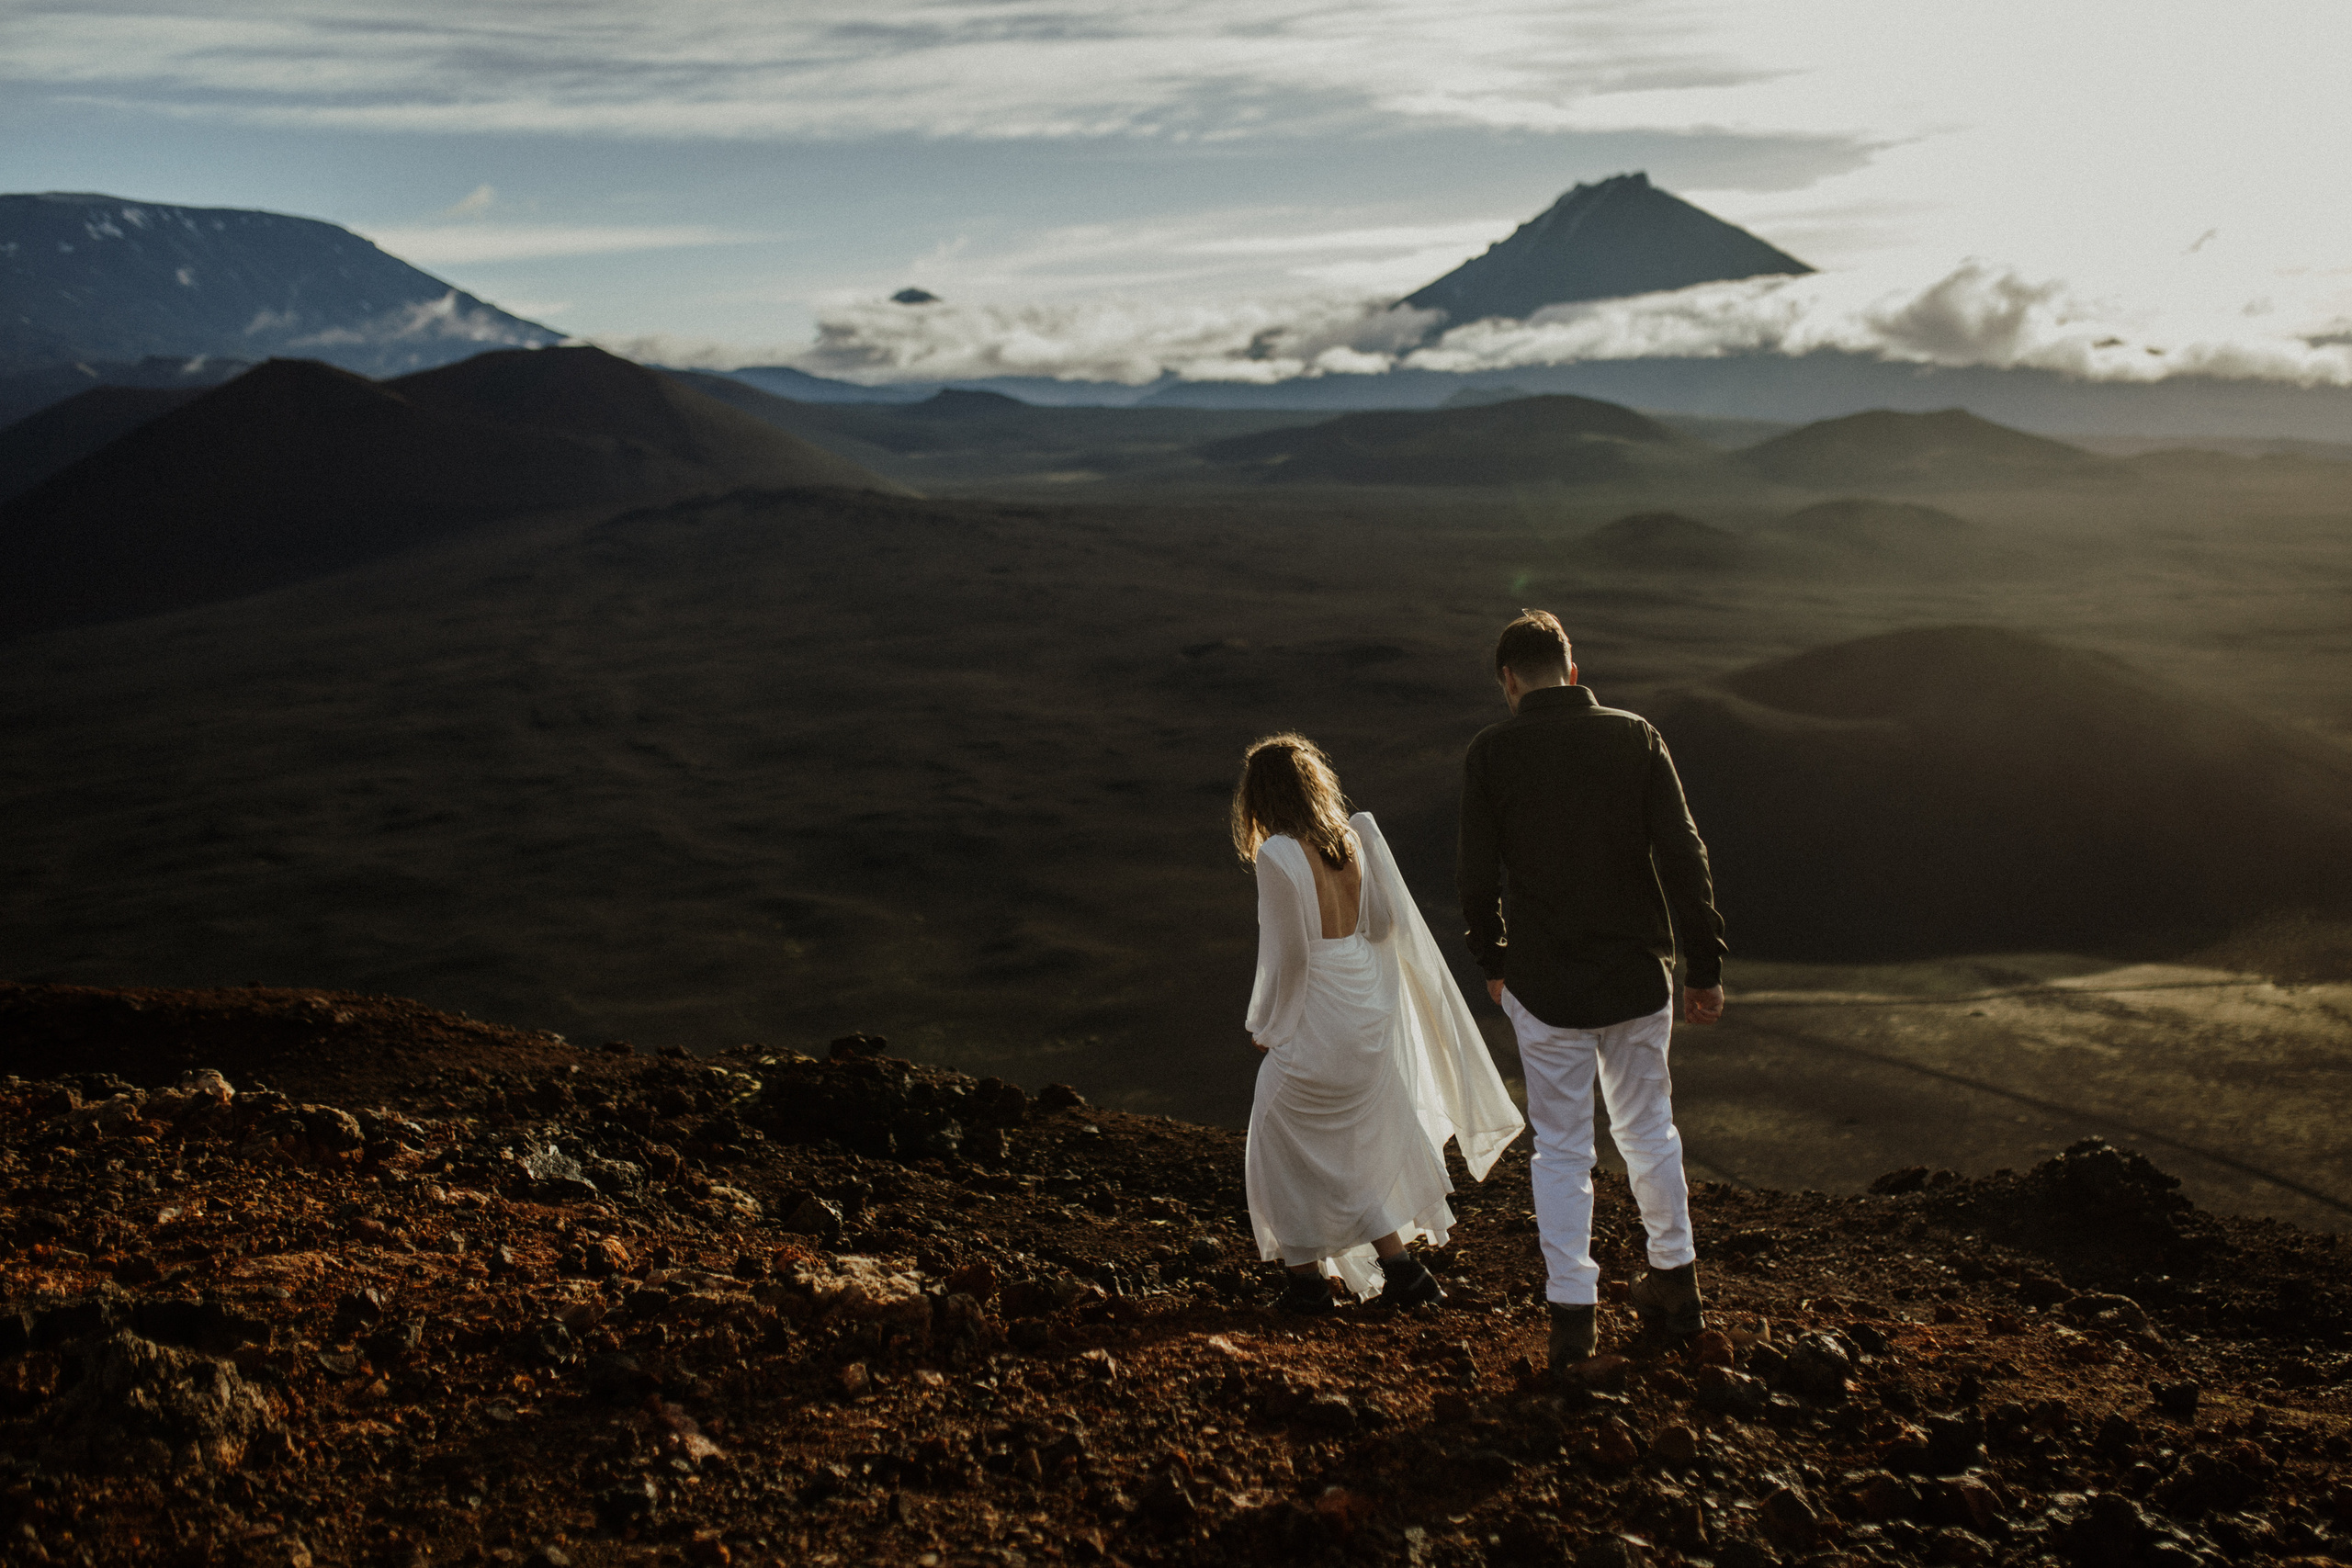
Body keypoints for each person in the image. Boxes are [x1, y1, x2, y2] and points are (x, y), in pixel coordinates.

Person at [1456, 610, 1727, 1375]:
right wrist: (1703, 965)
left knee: (1563, 1149)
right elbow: (1683, 855)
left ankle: (1573, 1319)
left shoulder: (1491, 752)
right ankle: (1679, 1289)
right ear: (1571, 671)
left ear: (1509, 680)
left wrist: (1493, 958)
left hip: (1544, 987)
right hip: (1638, 979)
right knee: (1651, 1132)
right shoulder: (1635, 735)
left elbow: (1477, 878)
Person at [1235, 732, 1526, 1314]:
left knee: (1274, 1137)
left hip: (1318, 1013)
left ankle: (1307, 1286)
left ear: (1261, 798)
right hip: (1364, 1014)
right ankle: (1404, 1271)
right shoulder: (1353, 840)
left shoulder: (1278, 855)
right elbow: (1385, 924)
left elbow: (1290, 956)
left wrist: (1268, 1024)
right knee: (1352, 1146)